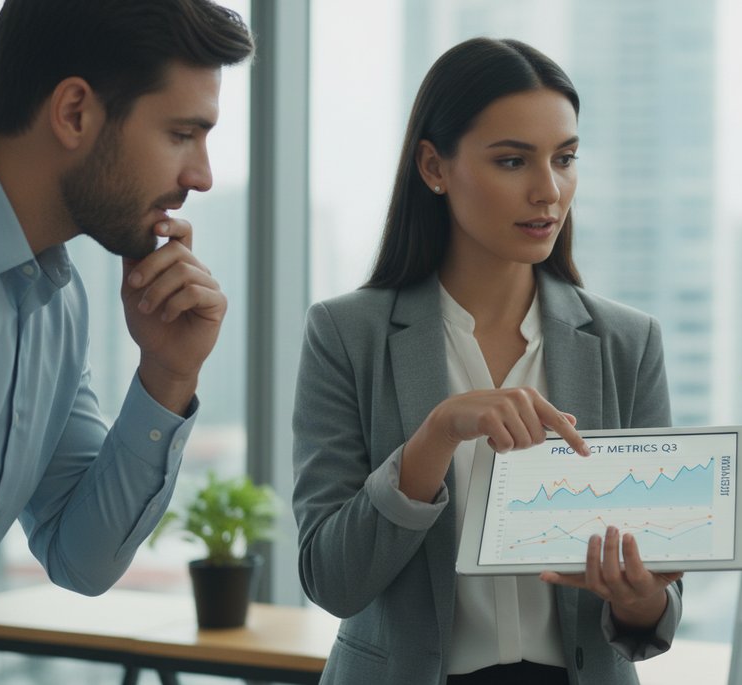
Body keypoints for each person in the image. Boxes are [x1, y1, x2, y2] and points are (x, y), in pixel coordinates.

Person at [292, 37, 683, 685]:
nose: (548, 190)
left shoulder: (627, 341)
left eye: (565, 159)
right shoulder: (345, 333)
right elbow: (332, 580)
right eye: (512, 161)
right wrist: (436, 435)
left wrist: (640, 598)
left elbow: (656, 608)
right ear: (433, 166)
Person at [0, 1, 252, 682]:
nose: (200, 175)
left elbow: (80, 556)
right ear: (75, 111)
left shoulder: (57, 299)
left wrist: (168, 374)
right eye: (182, 133)